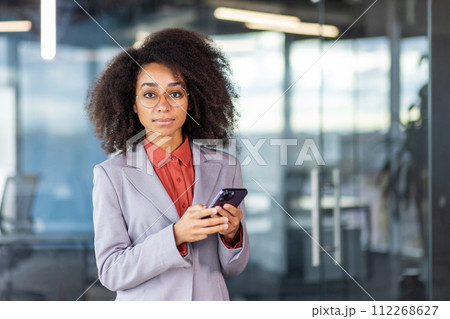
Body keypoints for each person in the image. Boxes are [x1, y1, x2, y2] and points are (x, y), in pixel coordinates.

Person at [86, 28, 249, 301]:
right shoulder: (111, 175)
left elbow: (234, 267)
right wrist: (176, 236)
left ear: (190, 100)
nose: (163, 105)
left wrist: (233, 235)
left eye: (175, 94)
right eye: (150, 95)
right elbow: (111, 272)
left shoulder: (225, 166)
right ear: (134, 104)